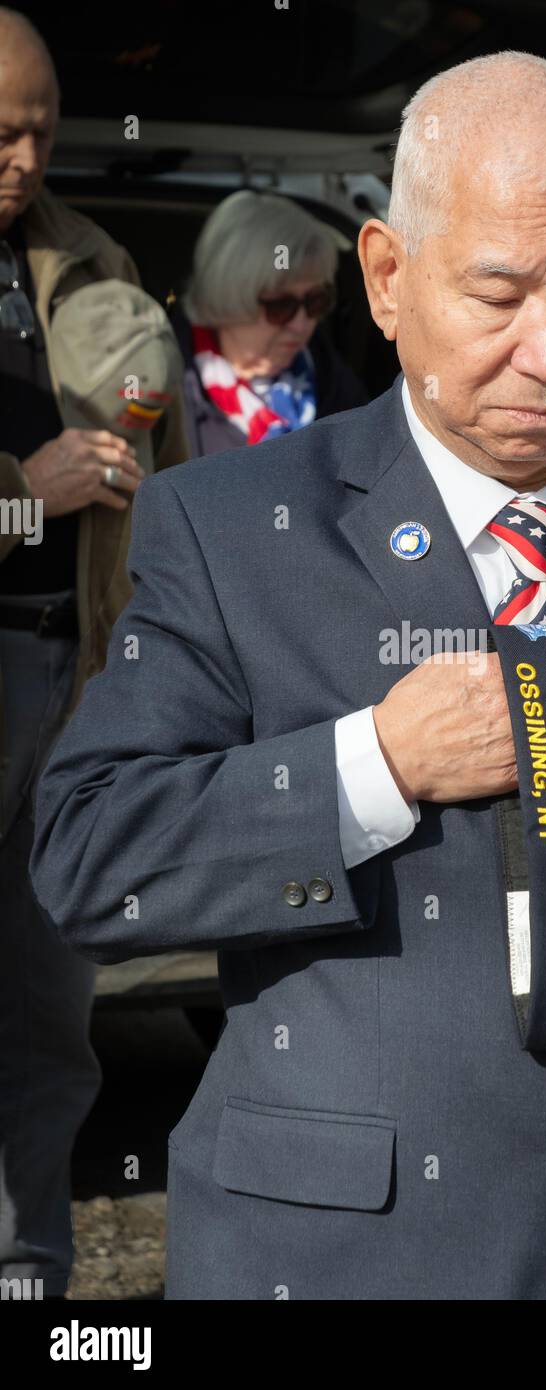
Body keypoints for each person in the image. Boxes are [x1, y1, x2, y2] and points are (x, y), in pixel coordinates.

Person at [30, 51, 546, 1300]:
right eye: (497, 294)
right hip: (338, 1263)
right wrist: (370, 764)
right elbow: (92, 858)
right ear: (386, 275)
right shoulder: (232, 529)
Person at [0, 8, 188, 1300]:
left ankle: (28, 1267)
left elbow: (165, 480)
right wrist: (26, 493)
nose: (24, 154)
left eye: (42, 127)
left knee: (50, 1010)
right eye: (0, 128)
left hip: (69, 680)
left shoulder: (88, 257)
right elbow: (43, 495)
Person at [172, 191, 367, 456]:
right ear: (227, 295)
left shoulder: (331, 377)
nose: (301, 325)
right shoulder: (173, 389)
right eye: (280, 305)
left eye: (315, 301)